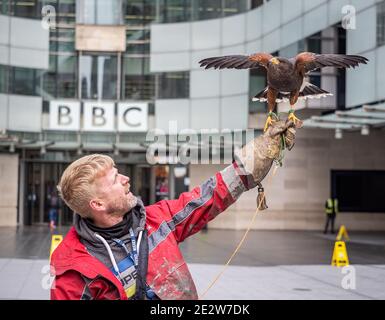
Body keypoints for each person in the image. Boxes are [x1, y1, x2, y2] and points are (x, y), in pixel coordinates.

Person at [50, 120, 298, 300]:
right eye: (115, 180)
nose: (126, 179)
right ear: (98, 205)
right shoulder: (73, 269)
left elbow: (209, 196)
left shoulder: (156, 219)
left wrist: (258, 155)